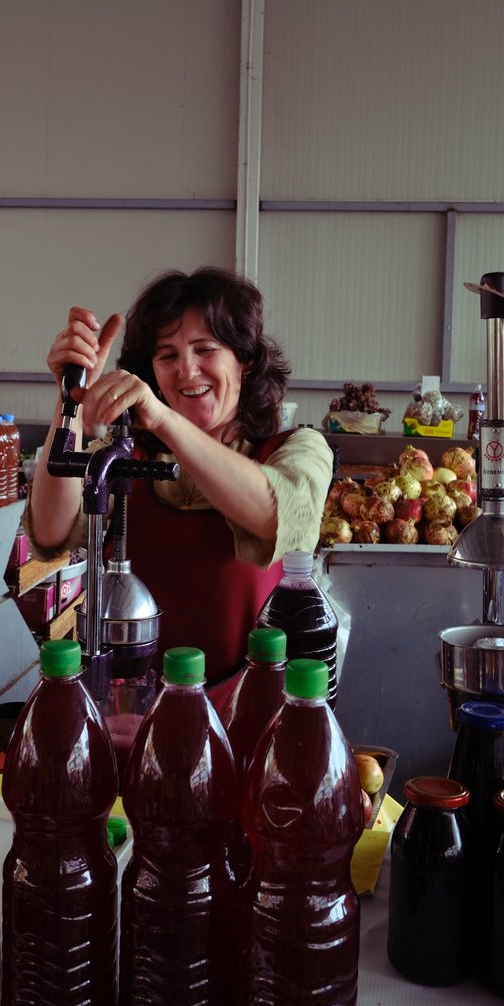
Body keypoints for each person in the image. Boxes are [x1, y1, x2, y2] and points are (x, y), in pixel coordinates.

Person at [27, 266, 333, 693]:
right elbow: (49, 531)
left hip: (253, 711)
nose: (187, 371)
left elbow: (277, 516)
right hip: (137, 710)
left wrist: (164, 419)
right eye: (167, 355)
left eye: (205, 349)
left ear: (245, 360)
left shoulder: (296, 448)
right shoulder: (128, 456)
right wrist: (70, 400)